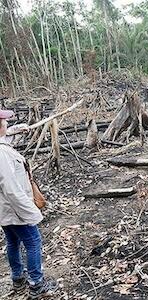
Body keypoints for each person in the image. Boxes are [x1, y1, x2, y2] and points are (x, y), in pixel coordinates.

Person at [0, 109, 58, 299]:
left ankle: (18, 278)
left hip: (5, 210)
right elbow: (10, 188)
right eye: (5, 122)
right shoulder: (2, 154)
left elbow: (5, 140)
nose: (7, 124)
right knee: (33, 242)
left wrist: (16, 129)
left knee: (12, 241)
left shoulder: (2, 148)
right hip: (14, 208)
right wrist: (31, 211)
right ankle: (36, 283)